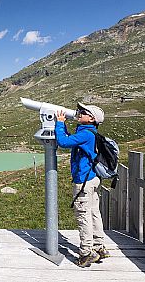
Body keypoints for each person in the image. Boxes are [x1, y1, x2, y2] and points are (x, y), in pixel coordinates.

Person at [55, 103, 110, 267]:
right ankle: (99, 247)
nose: (78, 113)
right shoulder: (89, 133)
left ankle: (86, 253)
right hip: (93, 179)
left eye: (83, 112)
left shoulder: (86, 134)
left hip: (84, 181)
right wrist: (63, 124)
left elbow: (63, 143)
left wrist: (58, 123)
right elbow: (69, 140)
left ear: (91, 118)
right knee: (94, 213)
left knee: (83, 215)